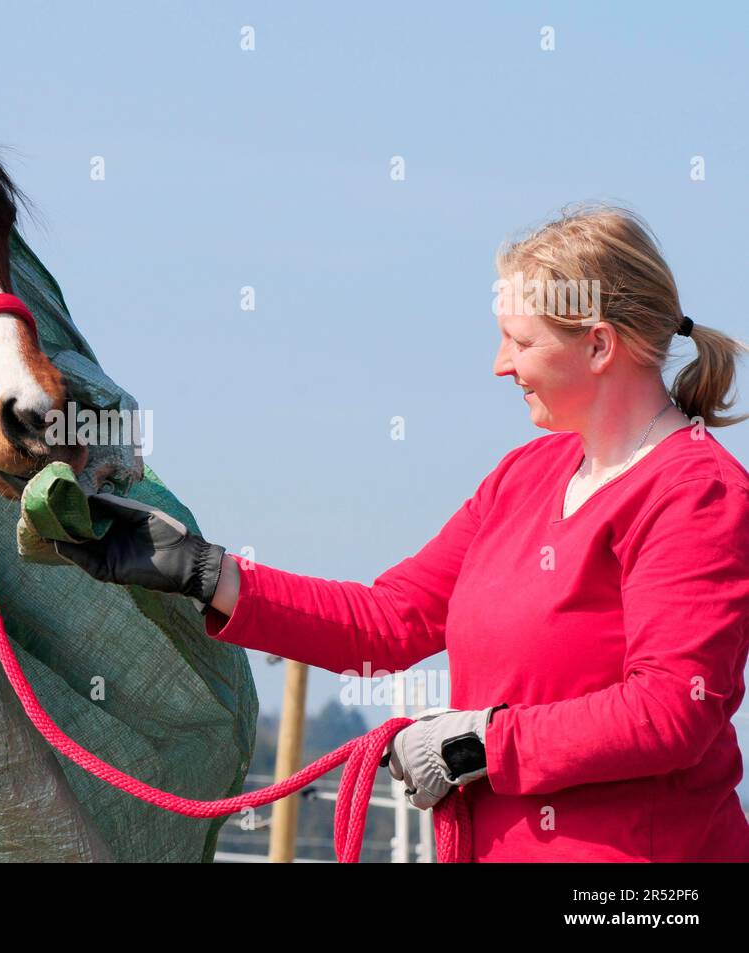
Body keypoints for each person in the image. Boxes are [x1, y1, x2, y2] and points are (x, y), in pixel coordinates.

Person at [54, 206, 749, 862]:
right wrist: (200, 571)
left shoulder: (695, 492)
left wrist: (484, 741)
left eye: (520, 340)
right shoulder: (524, 475)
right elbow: (390, 620)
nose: (500, 364)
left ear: (598, 344)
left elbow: (670, 710)